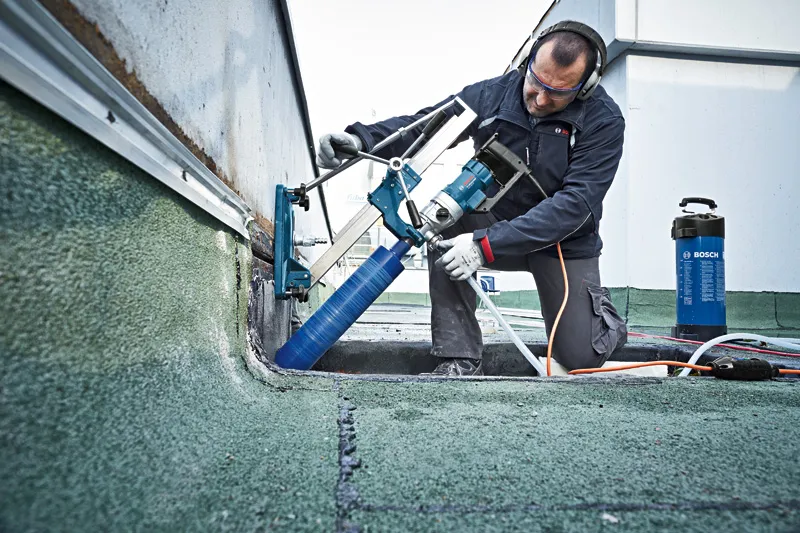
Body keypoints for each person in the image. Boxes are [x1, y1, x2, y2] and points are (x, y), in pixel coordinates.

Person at [316, 21, 628, 376]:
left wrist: (484, 246)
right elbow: (426, 128)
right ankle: (460, 358)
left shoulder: (604, 120)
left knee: (580, 357)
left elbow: (575, 205)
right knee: (441, 223)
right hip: (496, 222)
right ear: (527, 60)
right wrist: (362, 141)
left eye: (558, 93)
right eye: (536, 83)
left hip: (562, 242)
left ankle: (601, 317)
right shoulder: (492, 95)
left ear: (585, 88)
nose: (540, 100)